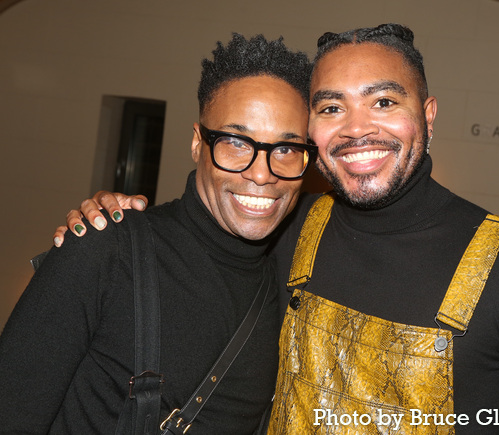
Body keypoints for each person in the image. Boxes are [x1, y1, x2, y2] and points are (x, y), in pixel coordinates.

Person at [53, 24, 499, 434]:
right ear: (311, 130)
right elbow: (205, 227)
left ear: (428, 116)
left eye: (384, 101)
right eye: (332, 107)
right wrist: (115, 219)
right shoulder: (288, 231)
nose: (357, 129)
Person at [0, 33, 316, 434]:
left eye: (286, 149)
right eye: (236, 142)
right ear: (197, 143)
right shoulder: (105, 248)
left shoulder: (288, 289)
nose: (261, 172)